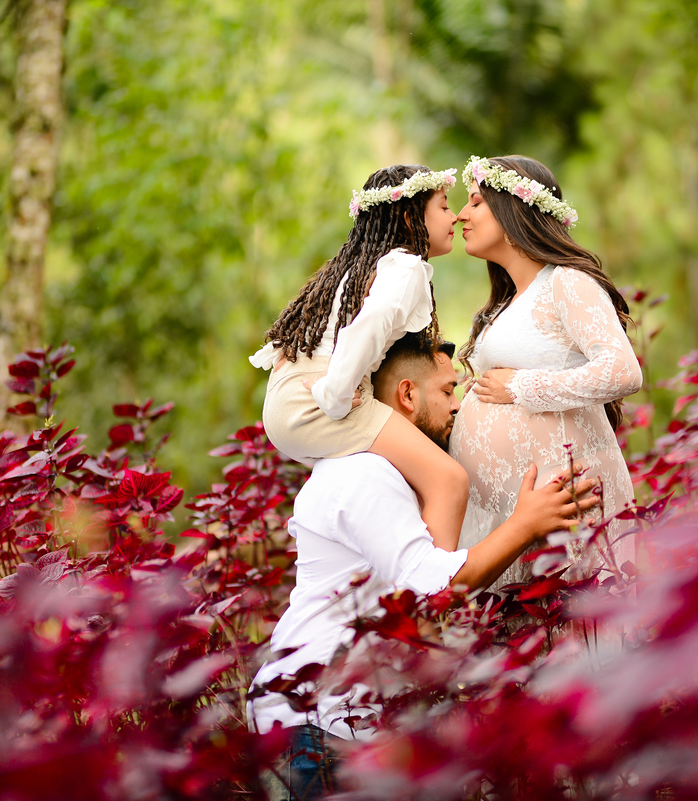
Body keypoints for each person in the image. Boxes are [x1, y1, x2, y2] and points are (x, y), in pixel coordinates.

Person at [251, 333, 600, 800]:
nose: (458, 405)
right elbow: (431, 588)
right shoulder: (363, 473)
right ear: (407, 395)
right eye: (447, 390)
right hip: (316, 723)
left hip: (338, 720)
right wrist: (526, 525)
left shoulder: (386, 473)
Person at [249, 165, 469, 552]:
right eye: (444, 205)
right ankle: (432, 602)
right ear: (408, 216)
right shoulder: (405, 266)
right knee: (449, 481)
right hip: (315, 403)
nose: (455, 216)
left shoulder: (359, 265)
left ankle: (389, 574)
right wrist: (336, 393)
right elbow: (369, 326)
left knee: (408, 480)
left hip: (286, 401)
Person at [450, 155, 642, 589]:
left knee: (571, 633)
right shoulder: (506, 303)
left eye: (476, 202)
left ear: (512, 210)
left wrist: (521, 386)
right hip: (507, 510)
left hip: (562, 493)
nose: (462, 214)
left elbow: (623, 371)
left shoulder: (566, 282)